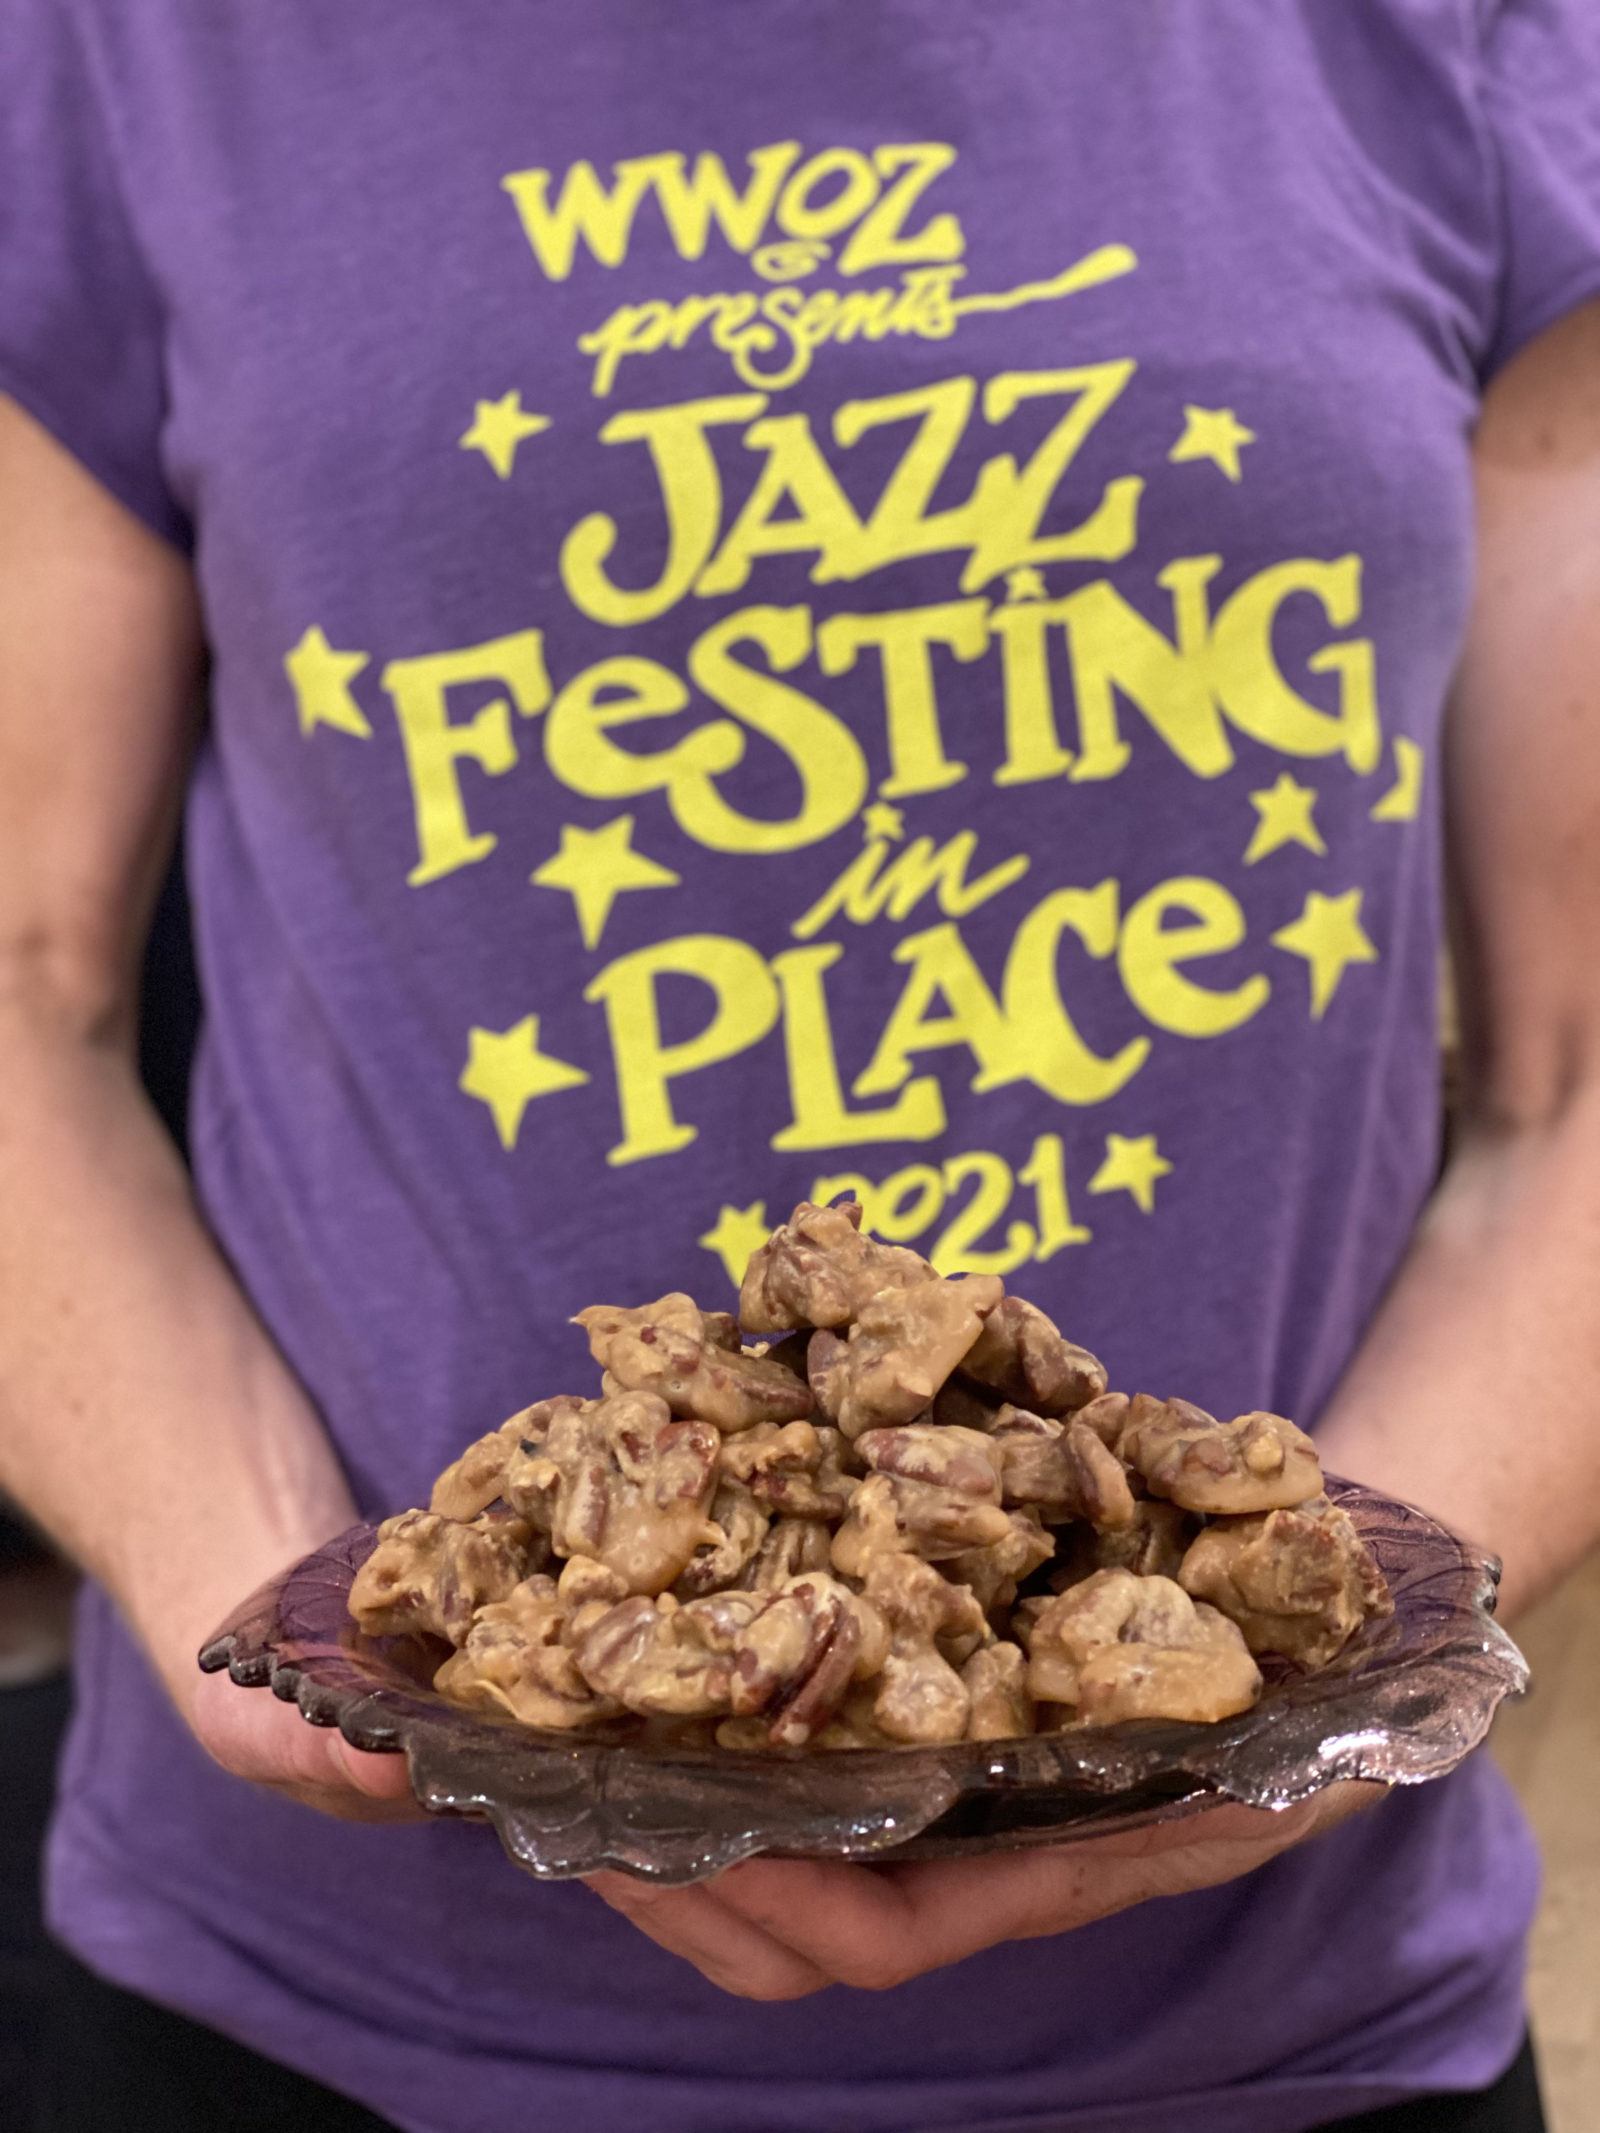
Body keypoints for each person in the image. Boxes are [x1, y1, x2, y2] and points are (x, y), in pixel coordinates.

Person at [2, 3, 1598, 2128]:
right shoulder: (127, 50)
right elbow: (24, 981)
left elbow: (1577, 1062)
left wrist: (1335, 1655)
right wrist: (262, 1576)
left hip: (1296, 2033)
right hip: (312, 2021)